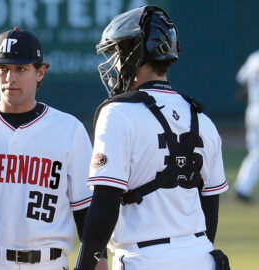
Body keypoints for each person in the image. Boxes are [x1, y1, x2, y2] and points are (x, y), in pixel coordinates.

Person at [75, 6, 230, 270]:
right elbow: (210, 210)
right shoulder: (202, 119)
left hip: (144, 259)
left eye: (117, 53)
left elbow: (105, 203)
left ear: (134, 53)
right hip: (202, 256)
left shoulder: (118, 113)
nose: (115, 63)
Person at [0, 27, 97, 269]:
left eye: (21, 69)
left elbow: (85, 211)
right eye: (3, 68)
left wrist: (97, 260)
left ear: (40, 72)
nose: (10, 77)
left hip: (47, 263)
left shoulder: (68, 129)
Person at [234, 50, 259, 203]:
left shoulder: (254, 57)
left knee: (256, 152)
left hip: (253, 110)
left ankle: (243, 188)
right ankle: (243, 188)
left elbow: (241, 81)